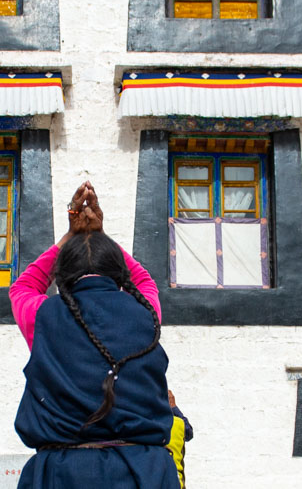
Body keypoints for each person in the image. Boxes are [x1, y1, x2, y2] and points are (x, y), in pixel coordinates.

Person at [10, 182, 179, 488]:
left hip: (60, 474)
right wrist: (98, 236)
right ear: (118, 277)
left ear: (62, 278)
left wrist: (71, 235)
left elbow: (24, 286)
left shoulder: (43, 316)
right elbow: (142, 279)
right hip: (145, 473)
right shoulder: (146, 313)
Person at [165, 389, 194, 489]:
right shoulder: (179, 424)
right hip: (177, 481)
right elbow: (189, 433)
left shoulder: (146, 422)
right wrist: (174, 407)